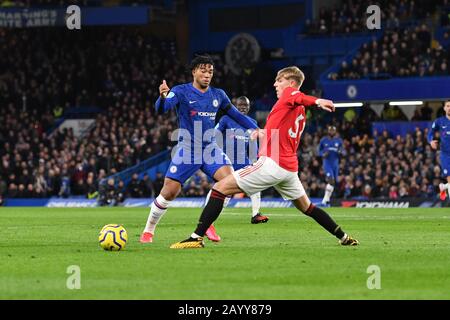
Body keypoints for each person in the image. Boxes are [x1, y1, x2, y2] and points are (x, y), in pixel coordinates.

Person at [170, 66, 359, 249]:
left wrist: (318, 101)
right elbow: (284, 129)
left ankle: (196, 237)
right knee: (307, 207)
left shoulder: (290, 95)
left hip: (272, 163)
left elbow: (299, 96)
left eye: (279, 80)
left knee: (219, 188)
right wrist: (263, 133)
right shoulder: (297, 110)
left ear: (291, 83)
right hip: (289, 169)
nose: (275, 84)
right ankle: (343, 236)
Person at [140, 55, 258, 244]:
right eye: (203, 70)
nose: (207, 74)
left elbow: (235, 115)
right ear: (194, 71)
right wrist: (162, 97)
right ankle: (148, 231)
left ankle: (207, 222)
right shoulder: (180, 91)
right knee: (169, 192)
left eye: (210, 71)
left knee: (229, 184)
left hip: (210, 148)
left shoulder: (218, 95)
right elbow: (162, 109)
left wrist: (255, 129)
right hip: (188, 149)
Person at [214, 96, 269, 224]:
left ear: (249, 107)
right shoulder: (226, 119)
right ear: (235, 106)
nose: (243, 107)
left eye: (246, 105)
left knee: (256, 186)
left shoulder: (252, 122)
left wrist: (255, 159)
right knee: (224, 191)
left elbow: (253, 144)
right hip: (227, 162)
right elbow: (214, 134)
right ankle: (211, 217)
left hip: (244, 161)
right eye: (240, 105)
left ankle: (255, 214)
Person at [428, 100, 450, 201]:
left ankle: (444, 187)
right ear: (444, 108)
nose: (449, 108)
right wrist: (431, 141)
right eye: (448, 106)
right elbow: (430, 132)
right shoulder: (439, 121)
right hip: (446, 155)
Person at [318, 125, 343, 206]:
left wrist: (340, 152)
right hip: (327, 163)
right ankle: (324, 201)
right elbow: (319, 151)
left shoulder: (339, 140)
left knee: (333, 182)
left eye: (333, 130)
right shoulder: (323, 140)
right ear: (328, 131)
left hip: (335, 164)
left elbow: (343, 151)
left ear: (335, 132)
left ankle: (327, 201)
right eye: (330, 130)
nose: (331, 132)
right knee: (330, 180)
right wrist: (323, 154)